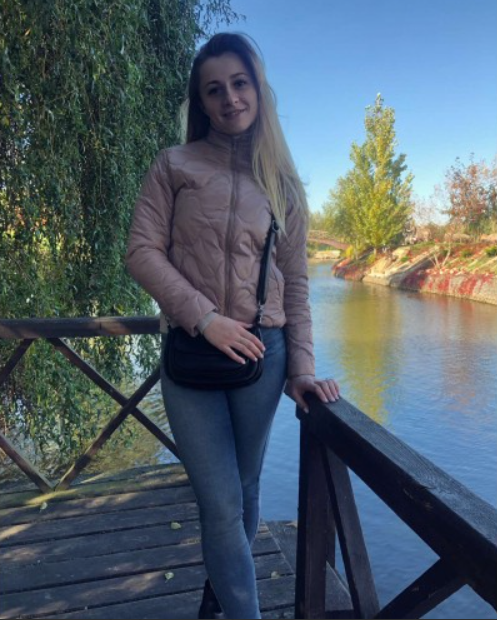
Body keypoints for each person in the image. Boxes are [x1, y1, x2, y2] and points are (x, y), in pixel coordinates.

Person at [126, 32, 340, 620]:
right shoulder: (173, 165)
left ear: (258, 89)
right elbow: (141, 252)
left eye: (240, 83)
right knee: (220, 503)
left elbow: (296, 284)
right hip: (192, 353)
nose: (230, 98)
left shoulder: (282, 183)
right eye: (214, 89)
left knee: (245, 491)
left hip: (263, 357)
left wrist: (302, 370)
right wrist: (205, 318)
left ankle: (220, 596)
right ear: (201, 101)